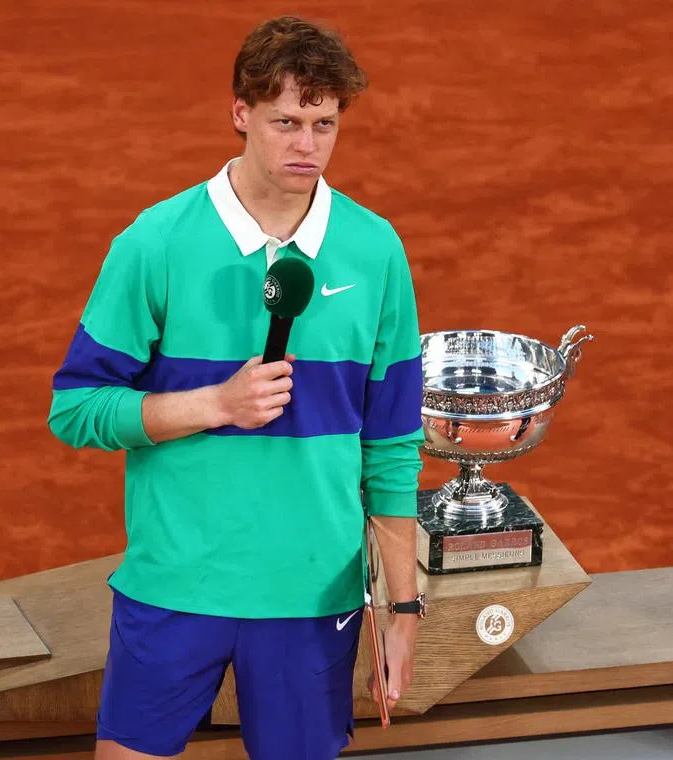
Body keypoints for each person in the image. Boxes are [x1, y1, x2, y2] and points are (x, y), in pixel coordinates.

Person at [47, 15, 426, 760]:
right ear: (240, 115)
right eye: (285, 121)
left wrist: (403, 606)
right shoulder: (155, 243)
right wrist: (215, 404)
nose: (305, 145)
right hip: (175, 584)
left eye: (324, 123)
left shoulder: (376, 250)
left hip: (312, 595)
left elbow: (391, 443)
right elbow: (78, 407)